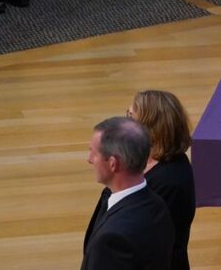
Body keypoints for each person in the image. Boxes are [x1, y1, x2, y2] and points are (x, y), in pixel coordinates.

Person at [83, 116, 174, 270]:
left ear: (113, 163)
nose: (89, 159)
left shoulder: (112, 240)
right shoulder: (159, 206)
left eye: (93, 153)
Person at [128, 90, 196, 270]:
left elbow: (151, 239)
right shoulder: (144, 158)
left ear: (151, 126)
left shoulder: (171, 180)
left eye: (131, 116)